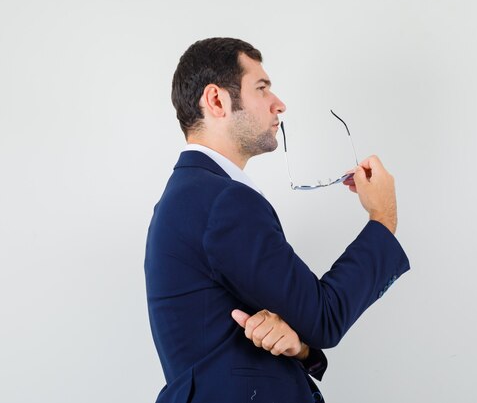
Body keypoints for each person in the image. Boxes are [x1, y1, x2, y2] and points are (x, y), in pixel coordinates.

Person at [144, 37, 410, 403]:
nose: (279, 104)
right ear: (217, 100)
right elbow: (324, 316)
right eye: (262, 88)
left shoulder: (192, 195)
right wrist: (382, 219)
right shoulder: (223, 200)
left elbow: (240, 340)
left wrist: (300, 348)